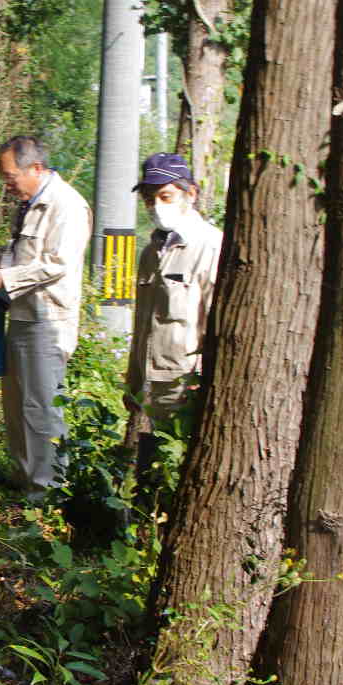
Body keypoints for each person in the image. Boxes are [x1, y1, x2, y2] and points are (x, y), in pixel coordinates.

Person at [0, 136, 92, 490]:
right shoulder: (31, 203)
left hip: (48, 321)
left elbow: (57, 263)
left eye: (10, 177)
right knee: (18, 404)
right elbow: (21, 251)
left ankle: (48, 492)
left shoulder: (66, 205)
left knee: (41, 408)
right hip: (22, 315)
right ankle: (25, 480)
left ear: (36, 168)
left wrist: (3, 277)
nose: (7, 185)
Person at [124, 153, 224, 479]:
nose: (155, 206)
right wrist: (133, 381)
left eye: (164, 196)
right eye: (148, 199)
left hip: (185, 383)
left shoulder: (210, 245)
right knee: (148, 473)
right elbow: (142, 323)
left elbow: (215, 319)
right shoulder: (151, 251)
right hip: (150, 383)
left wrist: (206, 380)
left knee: (179, 471)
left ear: (190, 194)